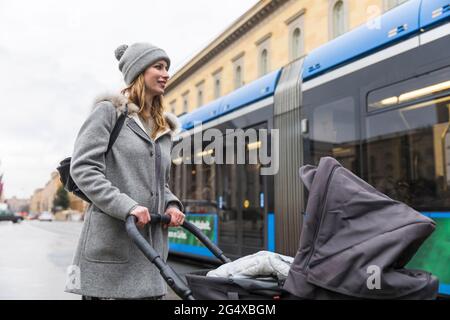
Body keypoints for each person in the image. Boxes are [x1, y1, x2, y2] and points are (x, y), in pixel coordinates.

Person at [64, 42, 185, 300]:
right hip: (112, 254)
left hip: (150, 257)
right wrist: (127, 206)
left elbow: (159, 183)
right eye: (159, 66)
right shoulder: (109, 113)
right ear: (139, 71)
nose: (166, 74)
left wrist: (172, 205)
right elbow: (83, 168)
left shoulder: (162, 128)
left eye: (167, 68)